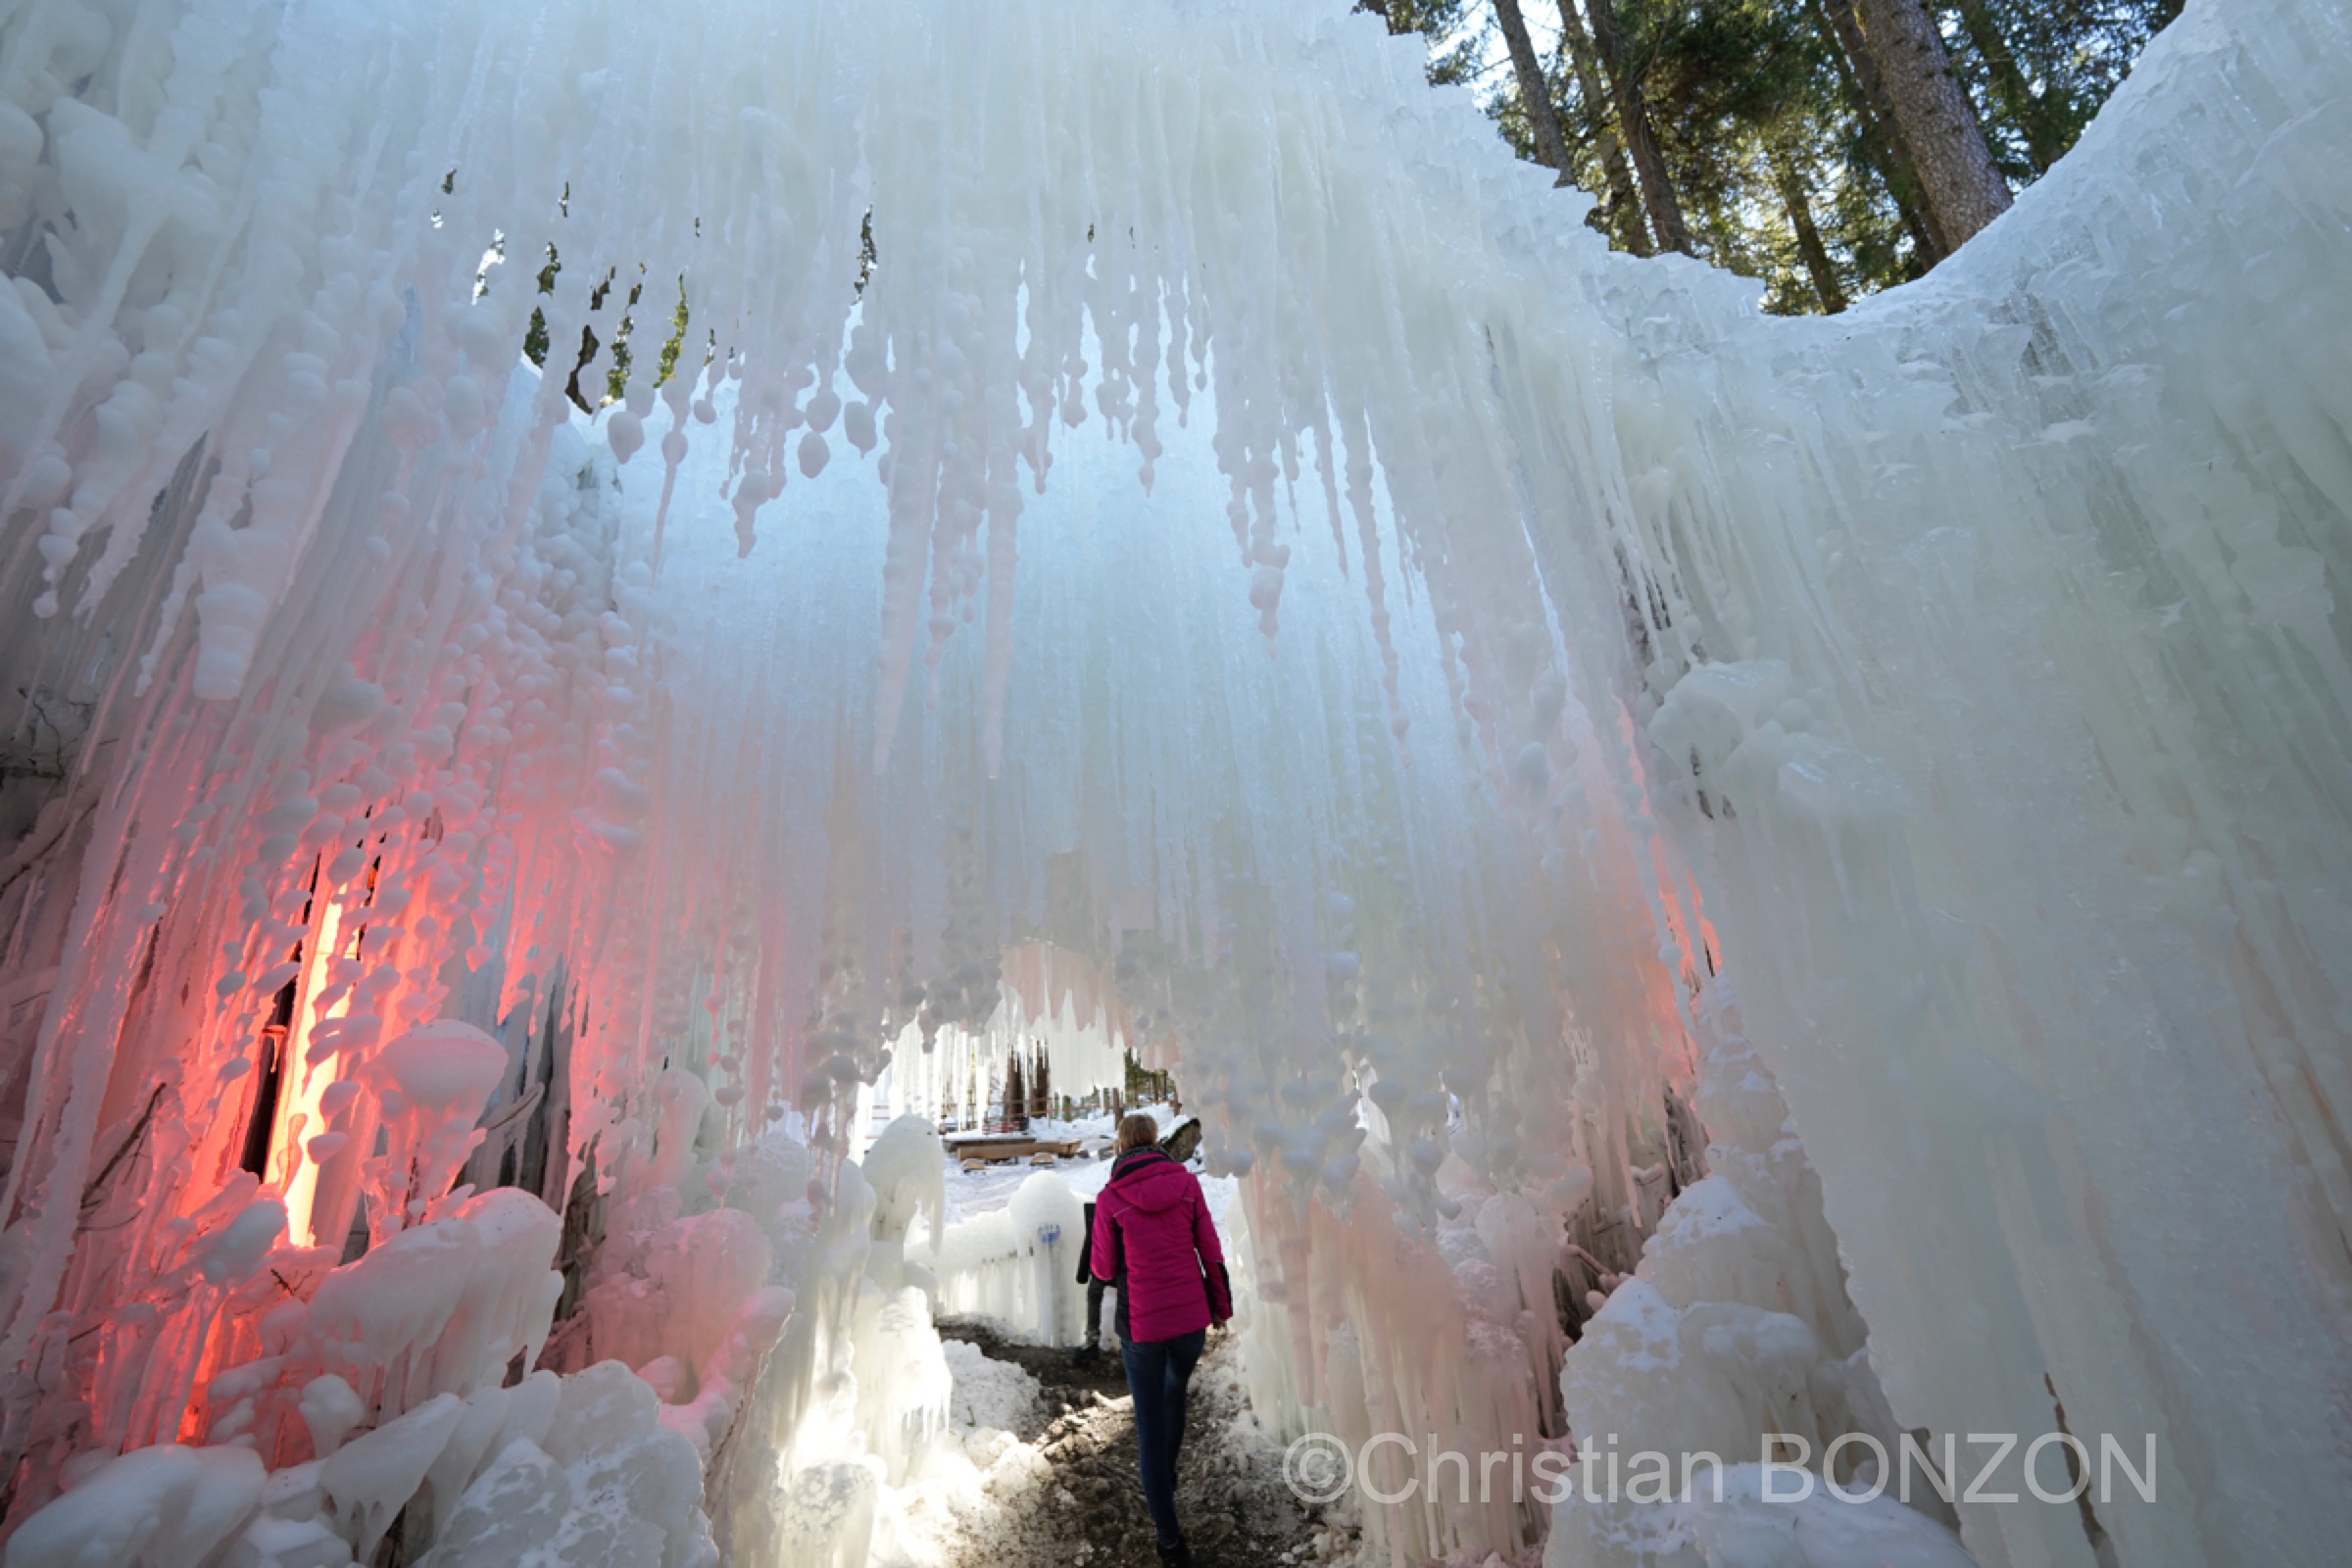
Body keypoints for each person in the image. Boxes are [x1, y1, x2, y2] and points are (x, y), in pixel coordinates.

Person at [1091, 1111, 1231, 1567]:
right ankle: (1166, 1476)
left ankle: (1169, 1541)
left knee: (1149, 1429)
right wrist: (1220, 1306)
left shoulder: (1111, 1198)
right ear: (1155, 1141)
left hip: (1142, 1327)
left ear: (1121, 1146)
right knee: (1175, 1394)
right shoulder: (1186, 1184)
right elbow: (1210, 1250)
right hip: (1190, 1322)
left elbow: (1103, 1270)